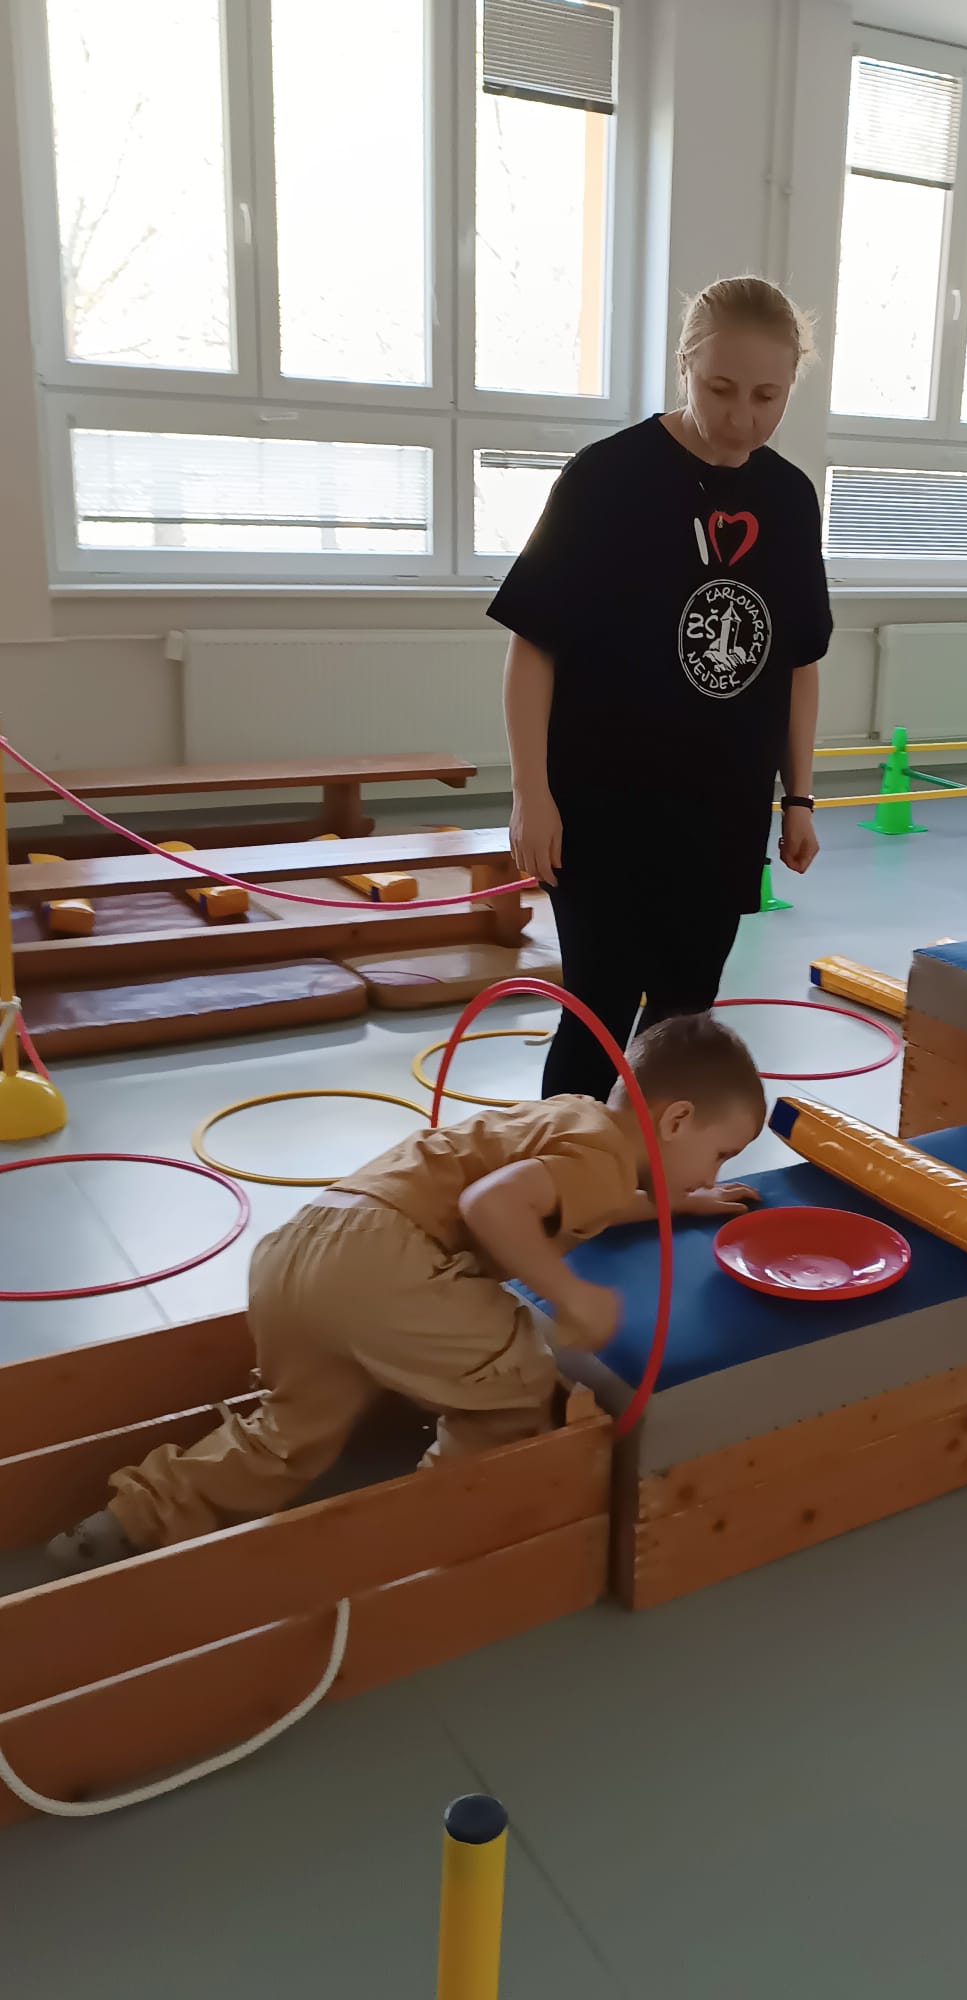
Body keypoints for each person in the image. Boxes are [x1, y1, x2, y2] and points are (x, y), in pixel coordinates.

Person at [48, 1015, 766, 1570]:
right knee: (516, 1380)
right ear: (675, 1119)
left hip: (301, 1249)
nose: (715, 1173)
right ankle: (429, 1525)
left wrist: (676, 1201)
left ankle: (133, 1520)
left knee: (291, 1431)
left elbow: (570, 1196)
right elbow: (493, 1204)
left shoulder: (576, 1119)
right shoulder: (603, 1157)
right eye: (719, 1154)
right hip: (381, 1264)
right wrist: (568, 1293)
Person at [492, 276, 834, 1101]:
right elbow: (533, 645)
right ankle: (569, 1163)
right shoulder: (607, 478)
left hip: (720, 812)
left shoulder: (789, 499)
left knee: (683, 1020)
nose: (741, 417)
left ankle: (653, 1165)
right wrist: (532, 794)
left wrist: (799, 798)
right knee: (598, 1013)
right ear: (685, 366)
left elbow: (797, 661)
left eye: (767, 397)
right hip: (602, 809)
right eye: (720, 389)